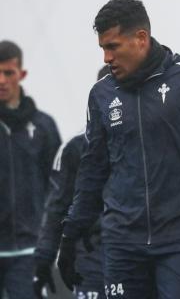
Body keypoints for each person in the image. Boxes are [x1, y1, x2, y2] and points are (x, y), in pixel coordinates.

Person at [58, 0, 180, 299]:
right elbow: (92, 170)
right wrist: (71, 232)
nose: (106, 57)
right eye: (103, 48)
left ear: (141, 38)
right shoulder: (101, 94)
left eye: (113, 46)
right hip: (122, 244)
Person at [32, 66, 110, 299]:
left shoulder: (149, 144)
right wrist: (44, 257)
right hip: (90, 256)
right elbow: (57, 206)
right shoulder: (74, 148)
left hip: (137, 255)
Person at [0, 40, 61, 299]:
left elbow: (60, 187)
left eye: (8, 73)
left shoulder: (44, 127)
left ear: (21, 74)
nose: (1, 80)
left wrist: (51, 238)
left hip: (29, 250)